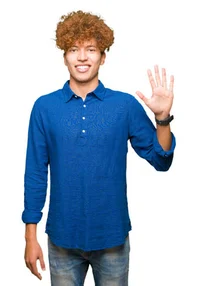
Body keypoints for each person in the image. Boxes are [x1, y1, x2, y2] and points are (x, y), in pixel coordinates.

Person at [22, 10, 176, 285]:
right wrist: (30, 236)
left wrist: (162, 119)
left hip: (112, 238)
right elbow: (35, 173)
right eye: (74, 49)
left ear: (103, 57)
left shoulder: (124, 105)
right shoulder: (44, 107)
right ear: (65, 56)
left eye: (91, 49)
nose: (82, 57)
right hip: (62, 239)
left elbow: (161, 160)